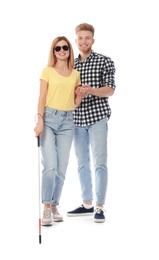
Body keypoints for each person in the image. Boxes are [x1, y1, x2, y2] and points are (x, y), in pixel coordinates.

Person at [34, 36, 86, 226]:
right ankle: (46, 207)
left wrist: (80, 94)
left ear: (69, 50)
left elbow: (74, 103)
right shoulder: (47, 71)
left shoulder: (75, 74)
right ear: (53, 51)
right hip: (48, 119)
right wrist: (39, 121)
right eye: (58, 48)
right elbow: (41, 98)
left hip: (67, 121)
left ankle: (55, 204)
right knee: (50, 165)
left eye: (65, 47)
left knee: (62, 169)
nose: (62, 50)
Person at [67, 23, 116, 223]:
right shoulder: (71, 66)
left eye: (87, 38)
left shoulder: (105, 61)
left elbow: (110, 89)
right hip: (77, 119)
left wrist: (91, 90)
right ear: (76, 40)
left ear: (92, 40)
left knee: (100, 162)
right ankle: (87, 203)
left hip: (97, 117)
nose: (83, 41)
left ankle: (100, 206)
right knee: (82, 163)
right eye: (80, 38)